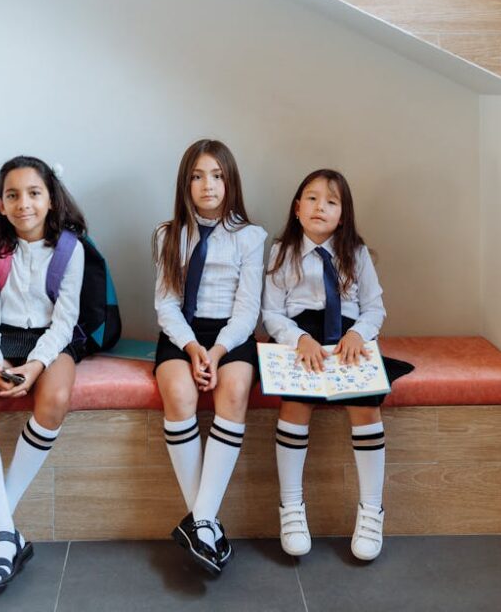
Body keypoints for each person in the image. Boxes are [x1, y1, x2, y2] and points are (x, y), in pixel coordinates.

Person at [262, 169, 413, 562]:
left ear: (342, 215)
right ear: (297, 208)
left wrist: (360, 334)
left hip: (348, 336)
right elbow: (272, 313)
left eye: (331, 202)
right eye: (311, 199)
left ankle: (371, 510)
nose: (320, 207)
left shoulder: (356, 253)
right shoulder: (282, 251)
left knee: (365, 405)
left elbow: (375, 307)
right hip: (302, 336)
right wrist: (299, 339)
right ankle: (291, 508)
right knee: (294, 402)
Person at [0, 155, 87, 592]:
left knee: (55, 397)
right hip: (1, 338)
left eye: (34, 193)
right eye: (12, 195)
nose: (24, 203)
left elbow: (65, 322)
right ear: (0, 204)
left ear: (51, 199)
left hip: (52, 341)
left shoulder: (71, 250)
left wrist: (36, 366)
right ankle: (8, 535)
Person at [153, 139, 267, 575]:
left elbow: (248, 309)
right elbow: (165, 304)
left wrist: (217, 350)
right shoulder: (167, 235)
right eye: (198, 176)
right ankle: (206, 525)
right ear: (186, 183)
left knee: (234, 388)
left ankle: (198, 522)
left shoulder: (251, 237)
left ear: (230, 182)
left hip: (230, 335)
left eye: (217, 176)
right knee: (180, 394)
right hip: (182, 334)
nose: (208, 185)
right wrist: (192, 348)